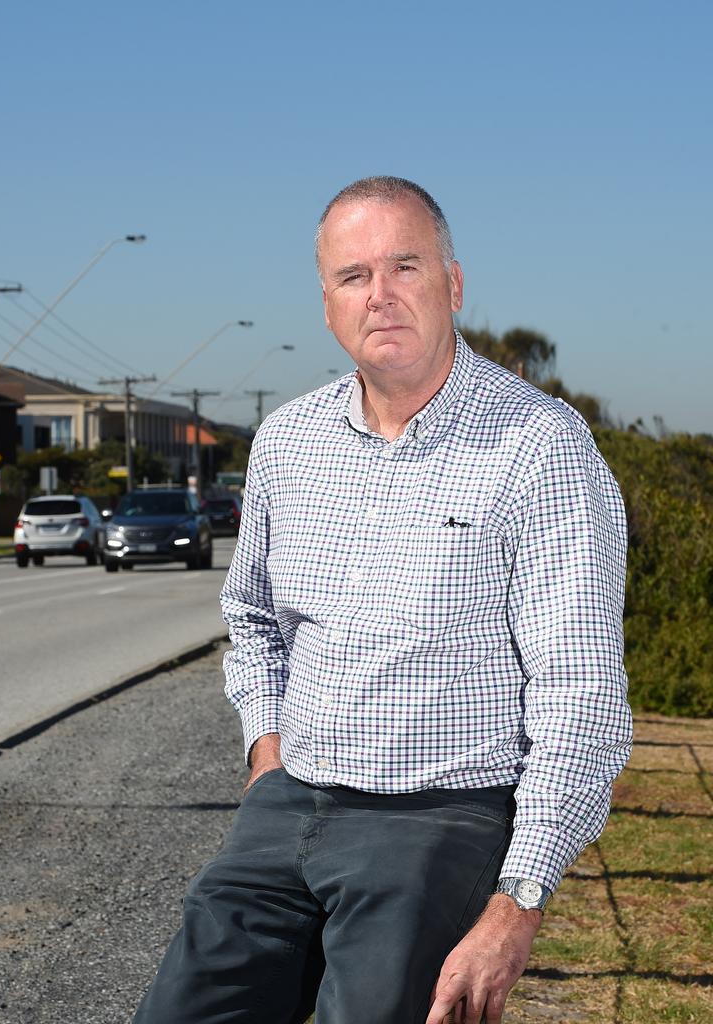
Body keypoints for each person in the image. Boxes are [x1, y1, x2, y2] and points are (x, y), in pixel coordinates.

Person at [132, 176, 632, 1023]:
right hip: (288, 801)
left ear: (455, 284)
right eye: (354, 275)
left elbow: (579, 690)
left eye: (406, 265)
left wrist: (520, 898)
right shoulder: (289, 442)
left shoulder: (540, 447)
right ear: (327, 303)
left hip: (441, 818)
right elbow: (251, 618)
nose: (382, 295)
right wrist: (265, 753)